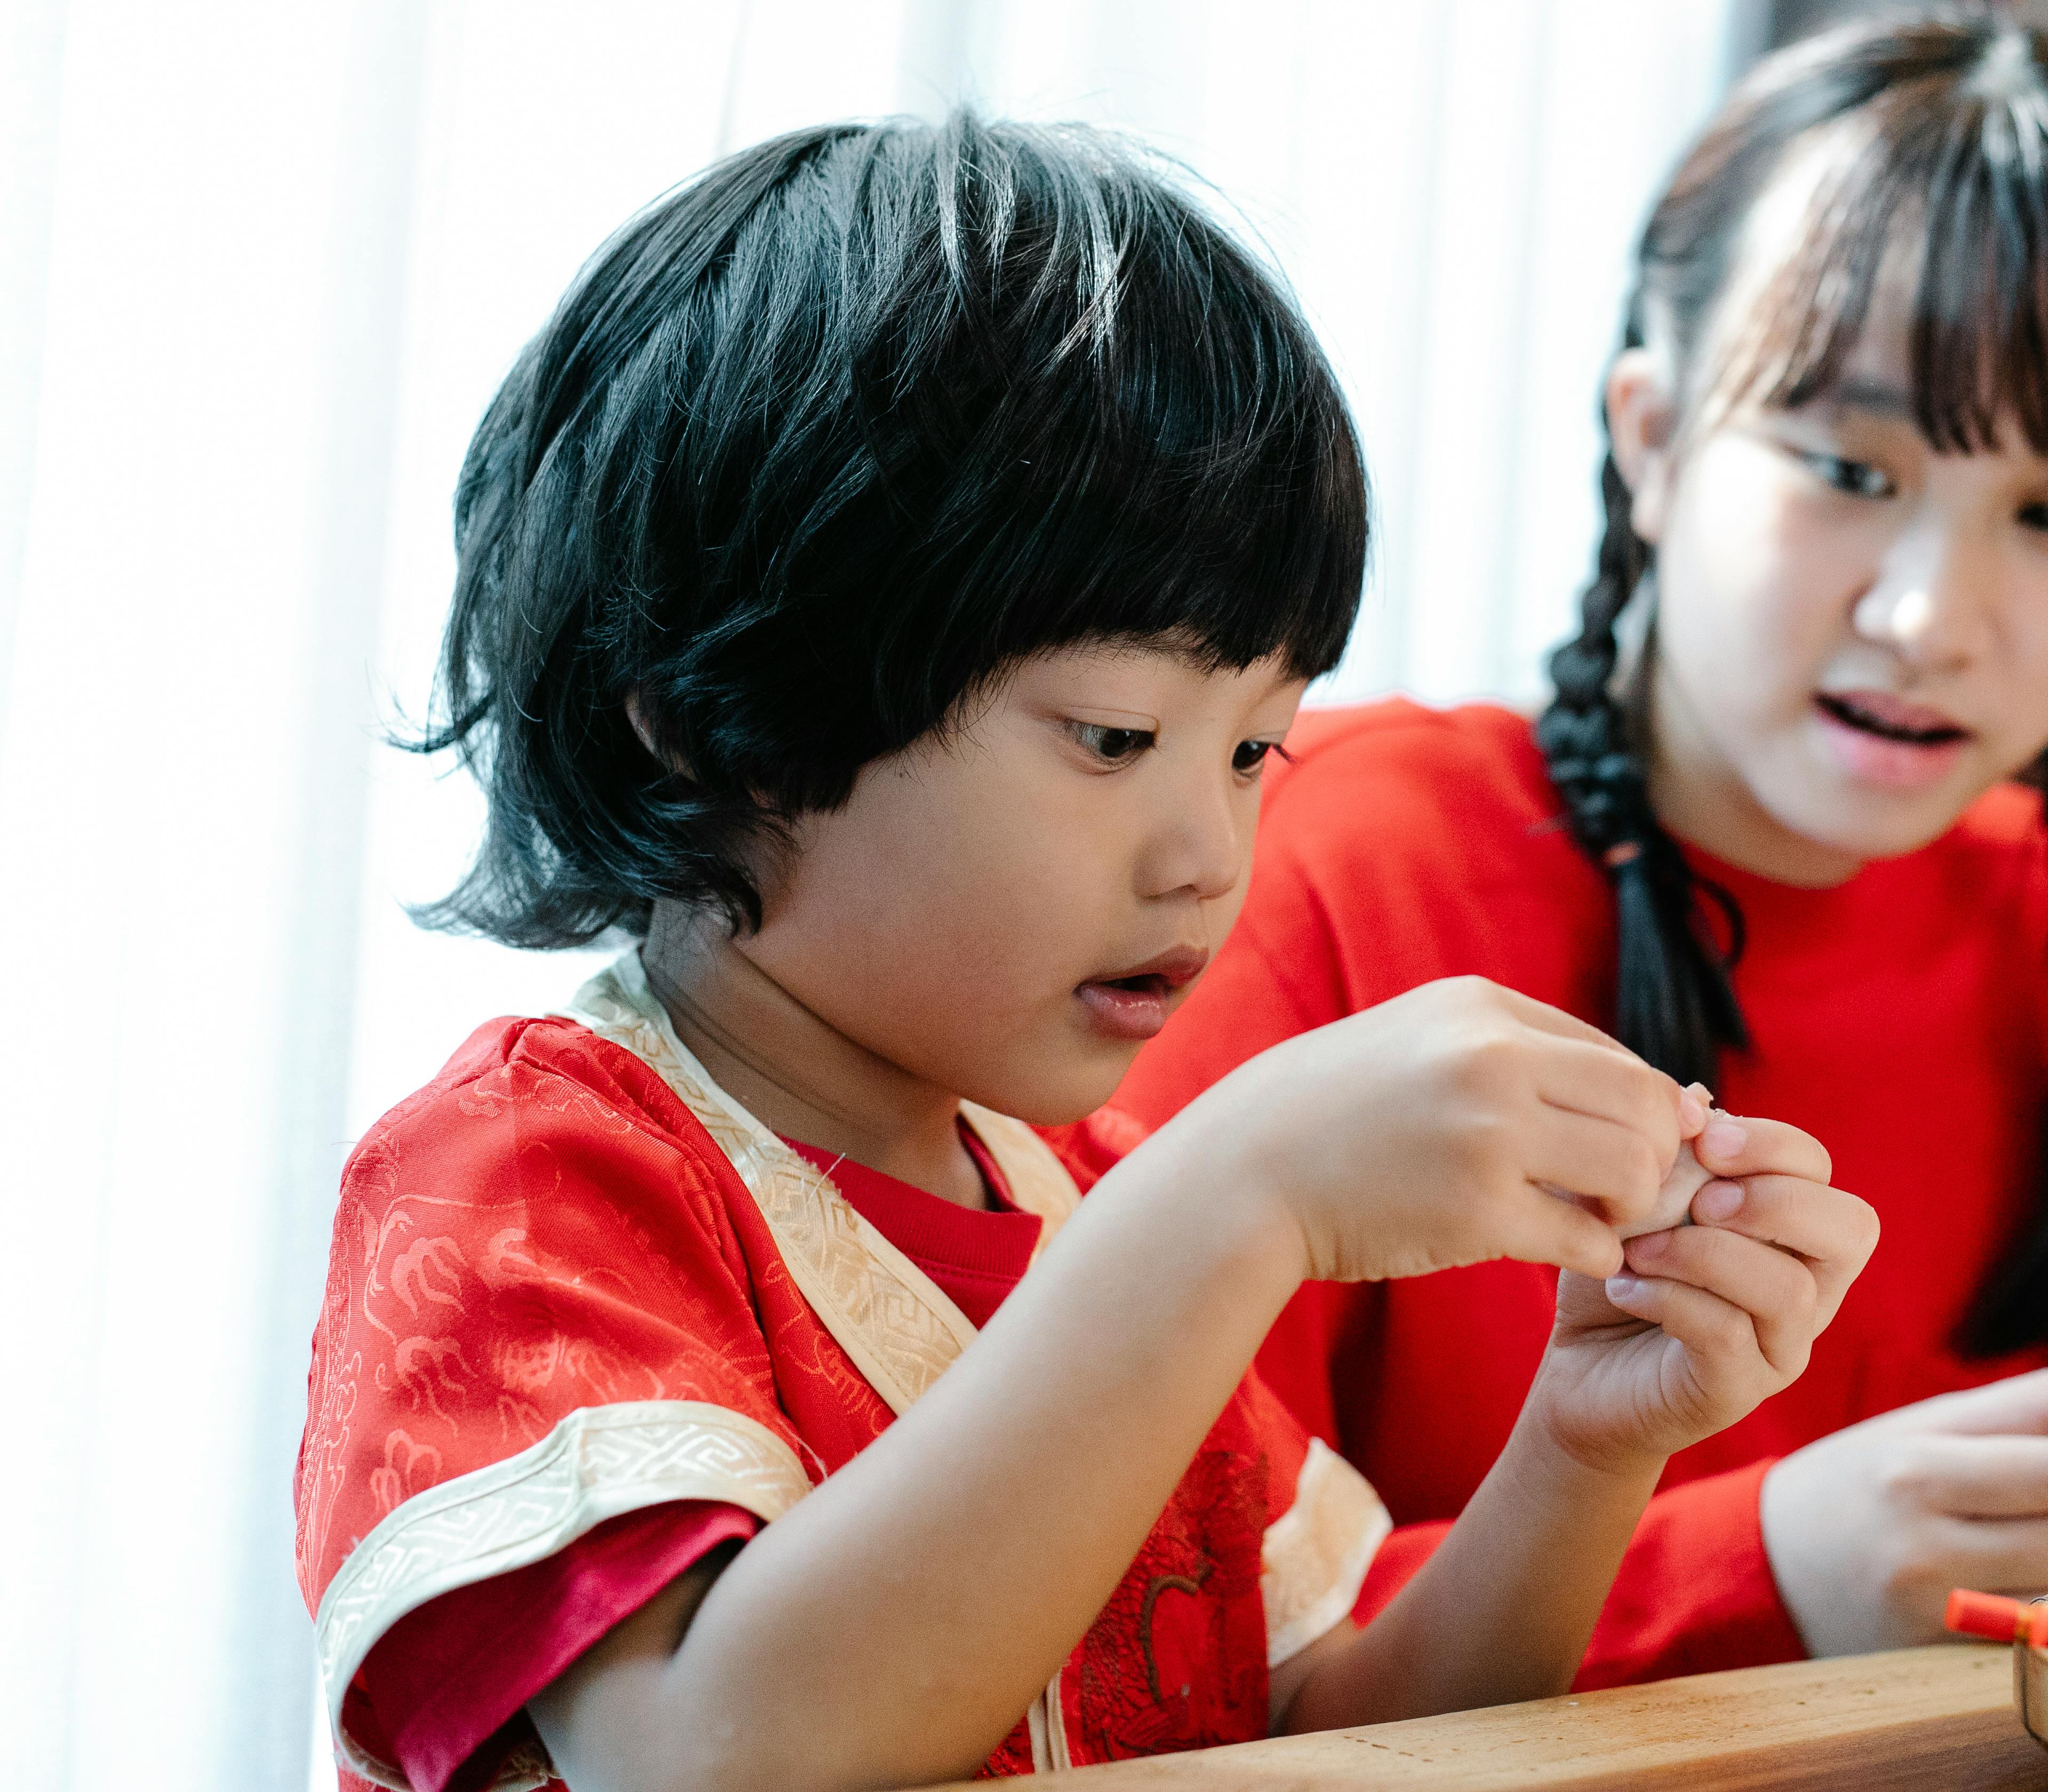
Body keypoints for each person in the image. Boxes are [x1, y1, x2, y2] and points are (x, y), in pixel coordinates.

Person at [292, 115, 1878, 1792]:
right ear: (717, 724)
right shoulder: (529, 1182)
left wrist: (1578, 1448)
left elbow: (1336, 1737)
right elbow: (705, 1754)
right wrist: (1230, 1202)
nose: (1212, 856)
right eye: (1116, 738)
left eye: (1257, 749)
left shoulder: (1081, 1203)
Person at [1117, 14, 2048, 1684]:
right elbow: (1161, 1640)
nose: (1929, 617)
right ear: (1651, 440)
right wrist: (1771, 1564)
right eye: (1851, 469)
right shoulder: (1315, 863)